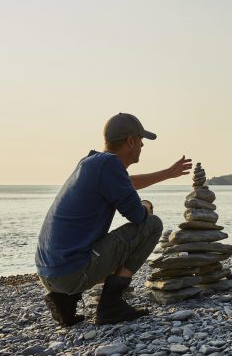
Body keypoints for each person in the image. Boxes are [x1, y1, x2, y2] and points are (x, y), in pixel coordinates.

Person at [35, 113, 192, 326]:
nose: (142, 146)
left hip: (49, 274)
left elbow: (126, 182)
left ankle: (64, 302)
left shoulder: (92, 162)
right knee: (152, 224)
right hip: (72, 273)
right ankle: (110, 305)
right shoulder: (109, 165)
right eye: (141, 141)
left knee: (87, 247)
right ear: (131, 141)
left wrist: (168, 173)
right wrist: (145, 206)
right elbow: (137, 215)